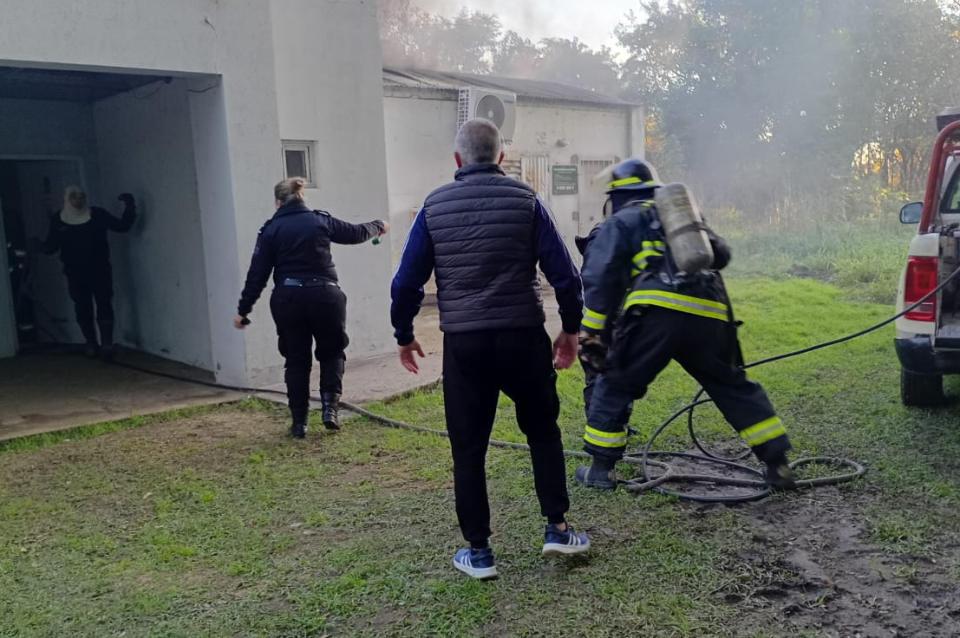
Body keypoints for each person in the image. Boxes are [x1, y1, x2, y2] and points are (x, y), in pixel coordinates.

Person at [391, 118, 590, 581]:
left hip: (466, 344)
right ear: (501, 157)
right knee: (542, 430)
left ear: (458, 160)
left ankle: (479, 553)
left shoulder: (433, 206)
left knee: (468, 447)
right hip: (523, 336)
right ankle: (557, 528)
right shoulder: (526, 200)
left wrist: (404, 332)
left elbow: (406, 280)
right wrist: (570, 330)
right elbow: (566, 274)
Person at [576, 159, 796, 491]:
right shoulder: (685, 219)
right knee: (732, 386)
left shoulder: (620, 222)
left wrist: (592, 334)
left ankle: (601, 471)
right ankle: (778, 465)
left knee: (616, 382)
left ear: (618, 195)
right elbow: (720, 254)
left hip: (655, 316)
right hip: (709, 310)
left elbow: (598, 280)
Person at [234, 177, 388, 439]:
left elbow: (257, 274)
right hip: (325, 296)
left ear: (278, 202)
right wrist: (378, 226)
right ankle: (330, 410)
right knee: (332, 352)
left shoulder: (270, 230)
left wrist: (244, 310)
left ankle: (299, 423)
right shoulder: (320, 220)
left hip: (288, 299)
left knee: (296, 360)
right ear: (302, 197)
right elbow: (355, 233)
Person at [37, 186, 137, 359]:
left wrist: (130, 206)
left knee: (104, 303)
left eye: (82, 196)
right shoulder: (59, 220)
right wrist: (37, 246)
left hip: (100, 268)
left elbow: (122, 226)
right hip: (75, 272)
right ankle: (90, 342)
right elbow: (51, 247)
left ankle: (106, 344)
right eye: (74, 197)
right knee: (82, 306)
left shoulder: (97, 215)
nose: (79, 200)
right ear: (67, 199)